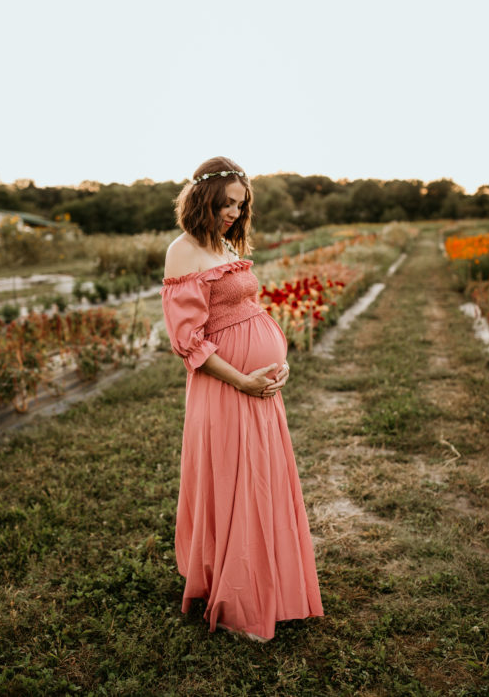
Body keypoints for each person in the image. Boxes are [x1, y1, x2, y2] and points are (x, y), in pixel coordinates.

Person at [160, 156, 324, 642]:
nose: (233, 211)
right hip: (227, 387)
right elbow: (187, 340)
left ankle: (271, 586)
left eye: (240, 204)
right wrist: (243, 379)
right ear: (203, 197)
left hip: (259, 387)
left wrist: (278, 360)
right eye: (226, 202)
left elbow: (248, 309)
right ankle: (239, 602)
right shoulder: (183, 251)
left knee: (261, 483)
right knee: (237, 485)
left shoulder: (224, 244)